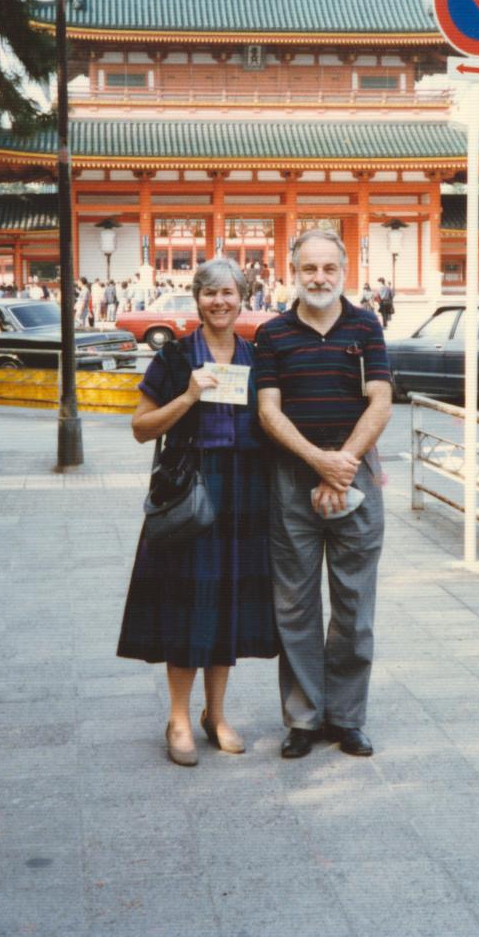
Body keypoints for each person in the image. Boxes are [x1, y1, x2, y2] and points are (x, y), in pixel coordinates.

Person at [117, 257, 278, 767]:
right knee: (187, 602)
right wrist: (189, 395)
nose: (220, 302)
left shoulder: (257, 355)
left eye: (229, 293)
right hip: (190, 491)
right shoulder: (176, 357)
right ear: (197, 299)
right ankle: (179, 717)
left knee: (228, 599)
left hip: (244, 494)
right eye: (210, 294)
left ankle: (217, 713)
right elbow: (142, 428)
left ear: (244, 297)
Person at [255, 230, 392, 759]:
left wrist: (345, 465)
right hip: (293, 481)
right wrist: (320, 463)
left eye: (329, 268)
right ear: (293, 270)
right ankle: (303, 718)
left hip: (354, 473)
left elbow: (380, 401)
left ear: (344, 270)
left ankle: (347, 717)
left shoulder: (365, 325)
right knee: (295, 607)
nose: (319, 278)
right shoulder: (273, 335)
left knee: (355, 607)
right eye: (309, 268)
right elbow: (269, 410)